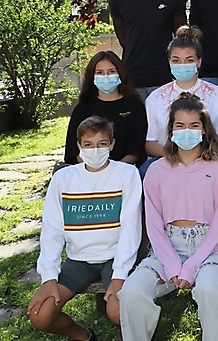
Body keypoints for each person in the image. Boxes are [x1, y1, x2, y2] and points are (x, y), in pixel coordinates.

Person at [119, 93, 218, 341]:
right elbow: (153, 225)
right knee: (132, 292)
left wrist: (191, 267)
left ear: (204, 129)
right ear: (171, 130)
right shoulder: (156, 170)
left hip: (212, 248)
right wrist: (172, 265)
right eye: (180, 125)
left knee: (209, 289)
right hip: (167, 249)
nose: (187, 131)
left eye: (194, 125)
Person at [30, 116, 142, 341]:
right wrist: (49, 277)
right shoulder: (63, 179)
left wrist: (120, 275)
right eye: (88, 144)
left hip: (115, 258)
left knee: (119, 312)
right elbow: (52, 231)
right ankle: (85, 337)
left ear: (112, 144)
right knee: (40, 315)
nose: (95, 150)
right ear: (79, 146)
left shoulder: (127, 174)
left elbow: (131, 228)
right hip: (78, 260)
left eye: (102, 144)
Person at [143, 26, 218, 176]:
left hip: (206, 162)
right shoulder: (155, 98)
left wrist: (203, 156)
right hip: (167, 163)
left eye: (189, 60)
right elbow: (150, 142)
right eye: (176, 61)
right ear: (169, 62)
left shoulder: (217, 94)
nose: (182, 65)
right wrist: (174, 157)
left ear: (199, 62)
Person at [110, 0, 187, 100]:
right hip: (133, 76)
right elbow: (124, 39)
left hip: (164, 77)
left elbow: (181, 37)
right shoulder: (118, 0)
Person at [65, 51, 146, 166]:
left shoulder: (135, 107)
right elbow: (73, 151)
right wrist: (94, 169)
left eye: (111, 71)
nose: (106, 77)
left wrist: (114, 170)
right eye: (100, 72)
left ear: (121, 74)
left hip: (124, 169)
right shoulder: (82, 108)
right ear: (92, 76)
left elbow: (136, 149)